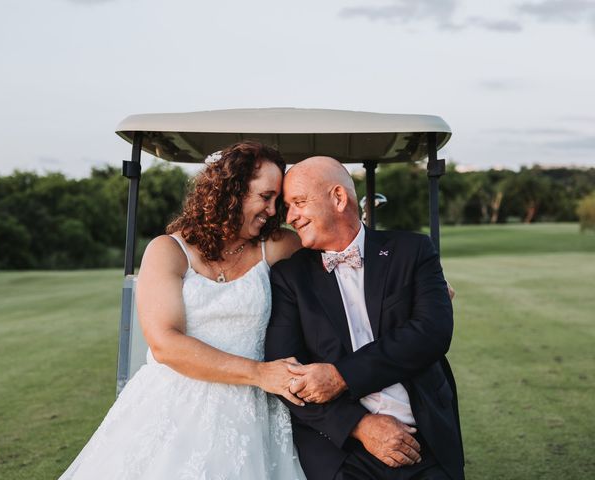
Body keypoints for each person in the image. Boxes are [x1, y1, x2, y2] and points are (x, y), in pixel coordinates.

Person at [59, 141, 307, 479]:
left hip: (254, 409)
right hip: (176, 402)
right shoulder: (168, 250)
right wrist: (260, 374)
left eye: (277, 200)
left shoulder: (278, 246)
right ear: (231, 190)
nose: (272, 209)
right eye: (266, 197)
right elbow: (164, 343)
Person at [265, 156, 464, 480]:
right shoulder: (289, 277)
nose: (291, 217)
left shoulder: (412, 250)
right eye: (288, 207)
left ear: (339, 198)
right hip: (342, 452)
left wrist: (341, 375)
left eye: (299, 203)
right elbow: (286, 373)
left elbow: (432, 332)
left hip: (425, 443)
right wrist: (360, 426)